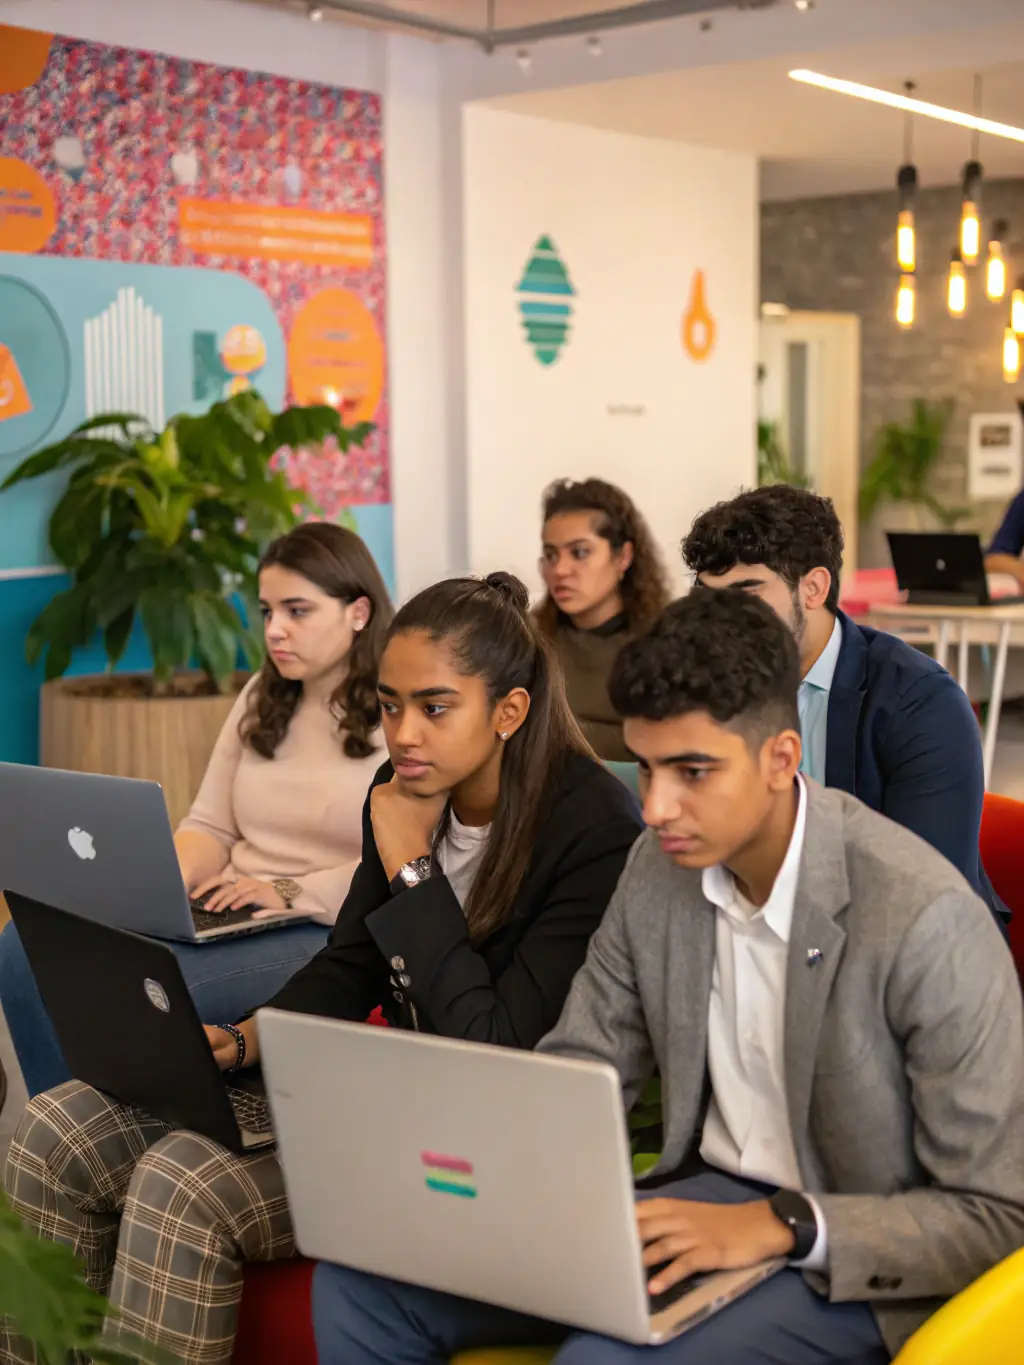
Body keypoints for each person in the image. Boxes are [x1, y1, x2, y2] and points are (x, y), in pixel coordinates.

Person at [310, 588, 1024, 1365]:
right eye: (647, 768)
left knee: (601, 1359)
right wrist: (482, 1191)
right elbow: (581, 1065)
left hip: (850, 1256)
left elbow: (996, 1213)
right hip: (691, 1202)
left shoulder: (924, 917)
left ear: (782, 757)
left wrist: (783, 1223)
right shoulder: (660, 869)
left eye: (692, 771)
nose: (655, 807)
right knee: (361, 1285)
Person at [2, 572, 642, 1365]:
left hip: (480, 1137)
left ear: (508, 711)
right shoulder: (403, 787)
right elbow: (349, 965)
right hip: (374, 1090)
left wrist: (414, 872)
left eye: (435, 708)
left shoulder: (593, 831)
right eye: (390, 704)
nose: (403, 733)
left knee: (182, 1183)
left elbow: (497, 1046)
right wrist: (240, 1041)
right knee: (50, 1131)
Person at [0, 520, 393, 1098]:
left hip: (326, 931)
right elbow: (209, 825)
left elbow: (399, 864)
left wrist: (285, 889)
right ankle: (58, 1142)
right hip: (231, 910)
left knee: (134, 985)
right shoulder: (262, 694)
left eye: (297, 611)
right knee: (22, 947)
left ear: (358, 612)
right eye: (266, 611)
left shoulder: (399, 714)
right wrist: (165, 888)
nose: (275, 630)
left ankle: (103, 1144)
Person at [681, 483, 1008, 930]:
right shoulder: (708, 686)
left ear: (813, 588)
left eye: (745, 594)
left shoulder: (919, 703)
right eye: (709, 596)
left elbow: (920, 900)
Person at [536, 477, 670, 762]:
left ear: (623, 557)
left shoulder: (665, 642)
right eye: (550, 554)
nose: (560, 570)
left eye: (579, 552)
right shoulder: (530, 638)